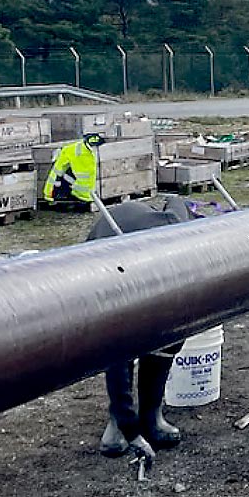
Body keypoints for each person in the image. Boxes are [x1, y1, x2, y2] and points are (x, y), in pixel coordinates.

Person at [89, 197, 194, 459]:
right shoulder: (122, 275)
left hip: (151, 261)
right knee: (124, 350)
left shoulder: (180, 240)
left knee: (169, 335)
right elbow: (115, 356)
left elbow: (177, 202)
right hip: (103, 261)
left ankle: (151, 414)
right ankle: (117, 422)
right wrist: (129, 429)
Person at [43, 132, 104, 204]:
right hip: (80, 194)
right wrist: (50, 195)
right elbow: (56, 173)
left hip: (85, 195)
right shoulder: (74, 152)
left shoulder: (80, 151)